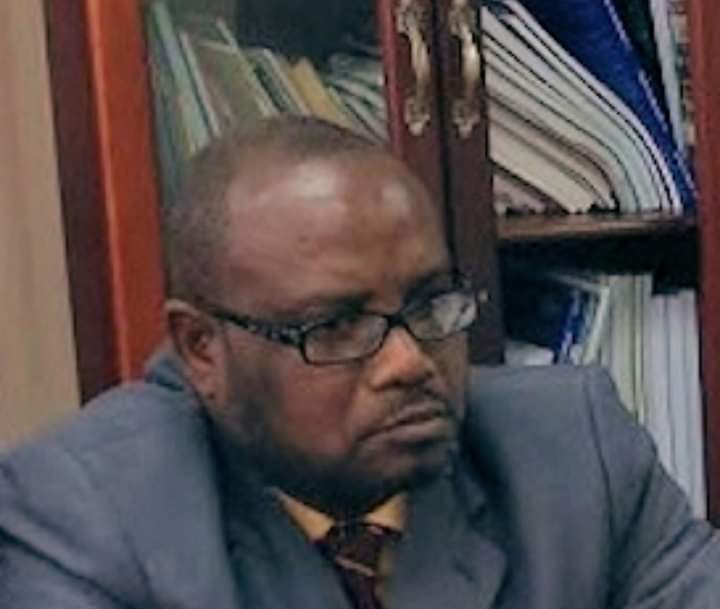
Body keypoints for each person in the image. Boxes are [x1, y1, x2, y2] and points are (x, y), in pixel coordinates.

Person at [0, 116, 718, 608]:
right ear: (201, 348)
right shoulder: (85, 515)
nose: (408, 361)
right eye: (338, 325)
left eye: (430, 303)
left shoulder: (575, 454)